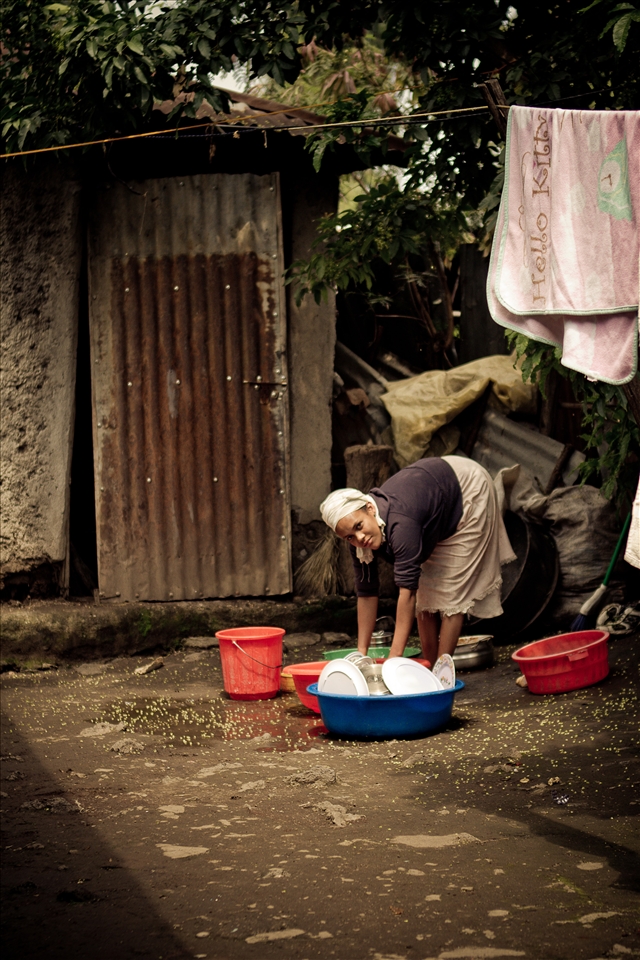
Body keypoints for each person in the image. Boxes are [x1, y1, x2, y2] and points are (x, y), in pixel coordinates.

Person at [320, 456, 515, 667]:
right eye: (349, 537)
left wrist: (393, 660)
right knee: (426, 596)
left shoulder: (401, 524)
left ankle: (442, 672)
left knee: (451, 592)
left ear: (370, 508)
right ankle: (427, 665)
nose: (359, 539)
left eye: (359, 526)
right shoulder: (359, 541)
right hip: (433, 494)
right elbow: (366, 594)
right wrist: (361, 654)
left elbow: (407, 593)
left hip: (466, 487)